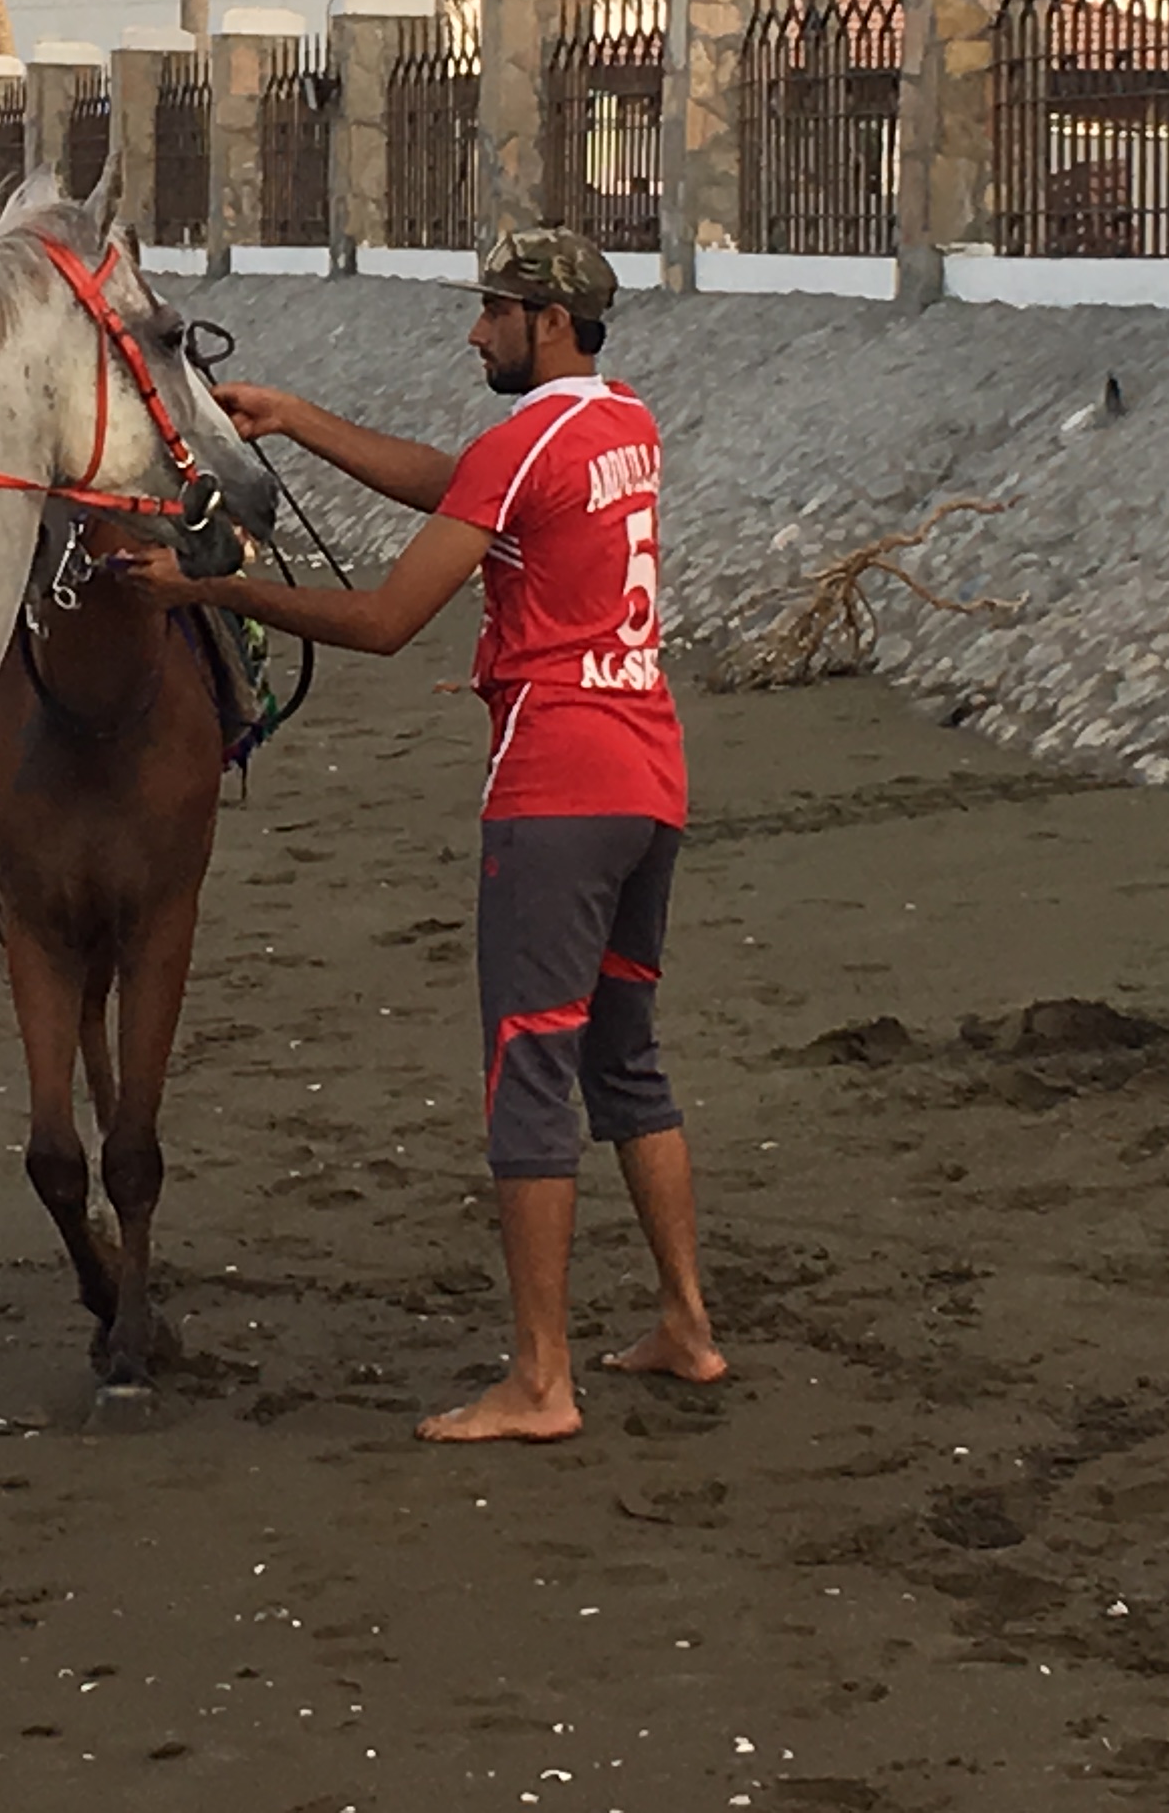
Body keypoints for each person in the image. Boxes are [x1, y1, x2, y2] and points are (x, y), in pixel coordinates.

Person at [103, 224, 724, 1441]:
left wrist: (206, 590)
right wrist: (304, 419)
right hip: (649, 777)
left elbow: (387, 620)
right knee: (626, 1058)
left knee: (530, 1074)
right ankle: (687, 1324)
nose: (475, 329)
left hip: (554, 791)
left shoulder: (525, 438)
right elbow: (465, 490)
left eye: (494, 310)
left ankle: (541, 1382)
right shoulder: (618, 425)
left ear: (547, 321)